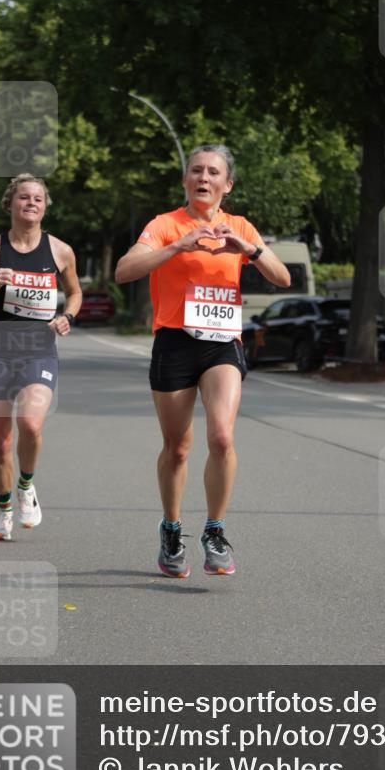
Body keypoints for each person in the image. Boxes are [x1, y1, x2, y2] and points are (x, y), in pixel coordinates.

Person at [115, 144, 290, 578]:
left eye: (214, 172)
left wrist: (248, 249)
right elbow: (124, 270)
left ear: (227, 185)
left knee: (222, 437)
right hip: (174, 341)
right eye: (196, 170)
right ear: (185, 180)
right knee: (178, 448)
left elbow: (282, 277)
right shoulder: (164, 225)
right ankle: (171, 530)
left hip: (221, 343)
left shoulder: (240, 226)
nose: (204, 178)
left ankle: (215, 530)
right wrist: (177, 246)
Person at [0, 174, 82, 541]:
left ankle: (26, 484)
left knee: (32, 424)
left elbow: (74, 293)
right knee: (1, 443)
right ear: (10, 204)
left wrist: (67, 316)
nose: (32, 203)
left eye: (38, 198)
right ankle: (4, 511)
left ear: (45, 206)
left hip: (38, 351)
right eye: (24, 198)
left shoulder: (60, 251)